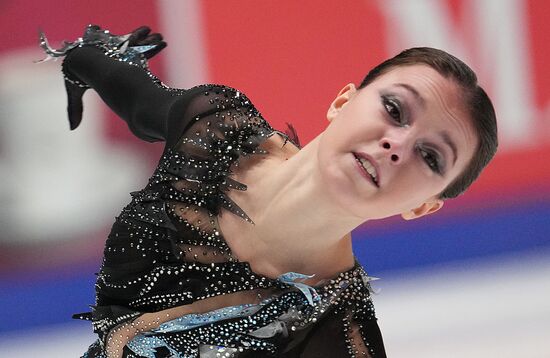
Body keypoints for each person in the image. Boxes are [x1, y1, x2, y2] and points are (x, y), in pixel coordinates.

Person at [39, 25, 497, 358]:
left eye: (432, 156)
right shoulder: (216, 131)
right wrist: (86, 57)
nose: (396, 146)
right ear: (343, 102)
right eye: (395, 109)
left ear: (423, 206)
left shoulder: (338, 335)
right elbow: (141, 101)